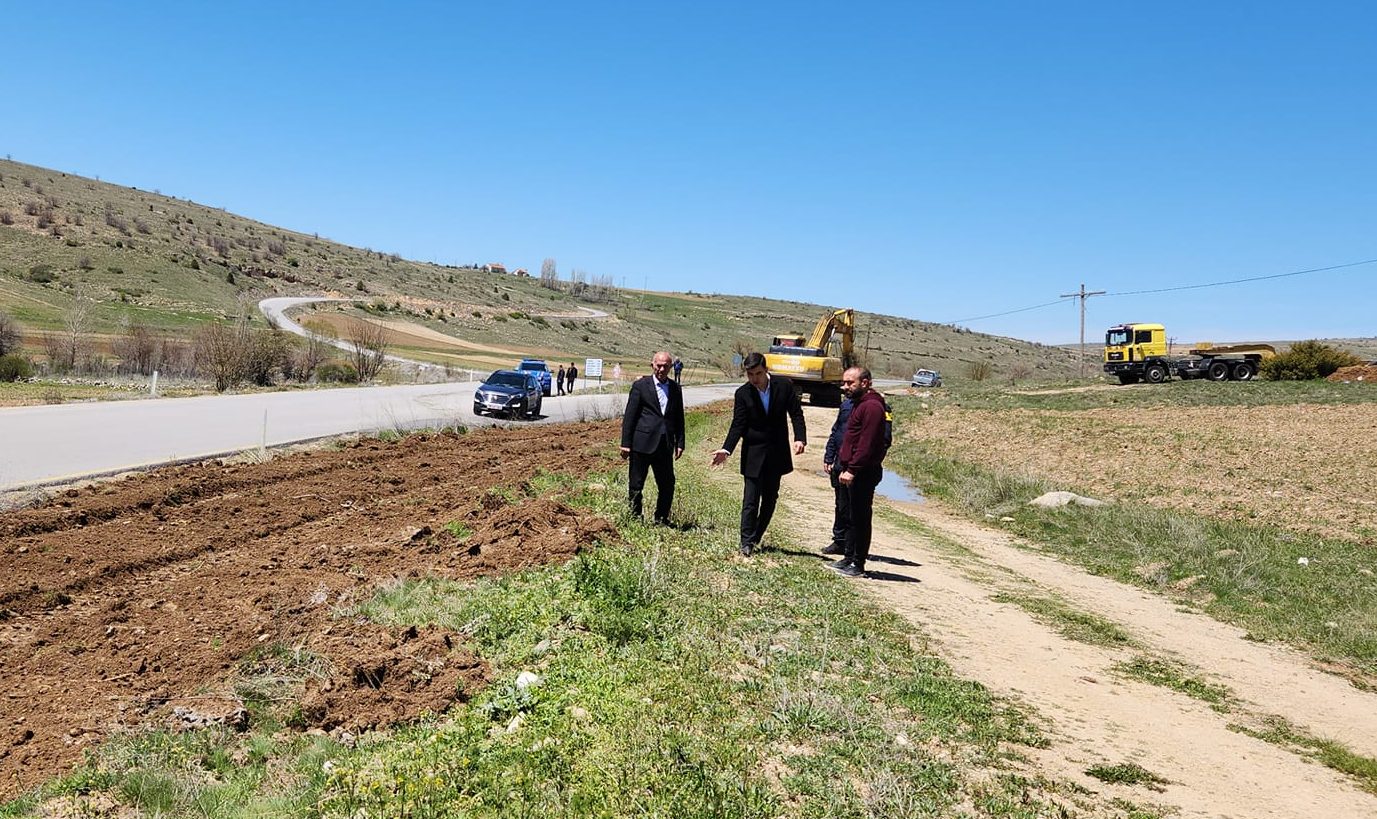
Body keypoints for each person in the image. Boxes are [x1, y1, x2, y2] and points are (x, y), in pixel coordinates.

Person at [711, 352, 806, 556]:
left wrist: (800, 438)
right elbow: (738, 425)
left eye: (758, 373)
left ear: (766, 369)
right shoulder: (743, 393)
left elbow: (796, 413)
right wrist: (726, 449)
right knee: (750, 500)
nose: (754, 378)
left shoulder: (784, 386)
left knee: (770, 499)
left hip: (777, 452)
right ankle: (746, 541)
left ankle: (756, 537)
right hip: (753, 452)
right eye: (750, 374)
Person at [832, 367, 888, 578]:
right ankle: (848, 557)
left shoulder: (872, 407)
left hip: (862, 472)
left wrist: (853, 469)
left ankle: (858, 563)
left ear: (865, 383)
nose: (844, 387)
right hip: (850, 469)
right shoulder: (858, 404)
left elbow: (867, 443)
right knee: (849, 516)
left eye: (850, 383)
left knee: (860, 517)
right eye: (844, 382)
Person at [621, 351, 685, 525]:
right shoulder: (640, 386)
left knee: (667, 484)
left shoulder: (675, 388)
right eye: (659, 365)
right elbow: (630, 416)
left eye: (665, 366)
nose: (662, 369)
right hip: (641, 443)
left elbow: (679, 417)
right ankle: (634, 517)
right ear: (652, 365)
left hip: (665, 445)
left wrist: (680, 442)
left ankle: (662, 518)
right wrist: (625, 443)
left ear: (671, 367)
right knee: (636, 484)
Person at [820, 394, 854, 556]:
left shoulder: (877, 408)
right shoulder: (846, 405)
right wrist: (829, 456)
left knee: (854, 509)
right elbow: (836, 431)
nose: (844, 387)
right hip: (840, 463)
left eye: (850, 383)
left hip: (858, 467)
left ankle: (853, 547)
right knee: (841, 505)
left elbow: (883, 439)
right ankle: (839, 541)